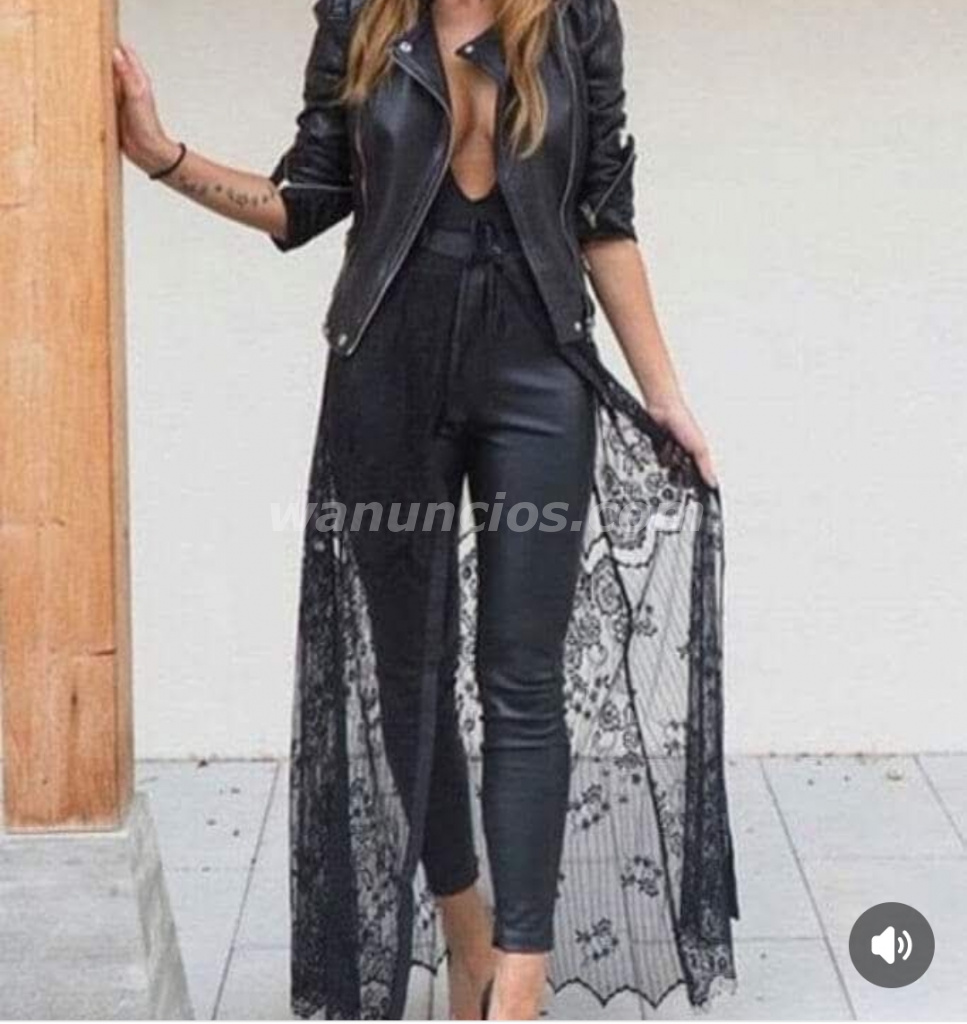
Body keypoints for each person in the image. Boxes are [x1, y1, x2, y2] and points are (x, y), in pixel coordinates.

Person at [113, 0, 740, 1019]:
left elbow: (602, 215)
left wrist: (663, 393)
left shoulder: (576, 17)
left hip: (539, 373)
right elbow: (306, 199)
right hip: (386, 377)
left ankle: (520, 981)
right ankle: (465, 930)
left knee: (523, 678)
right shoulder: (361, 15)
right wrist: (159, 155)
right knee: (410, 676)